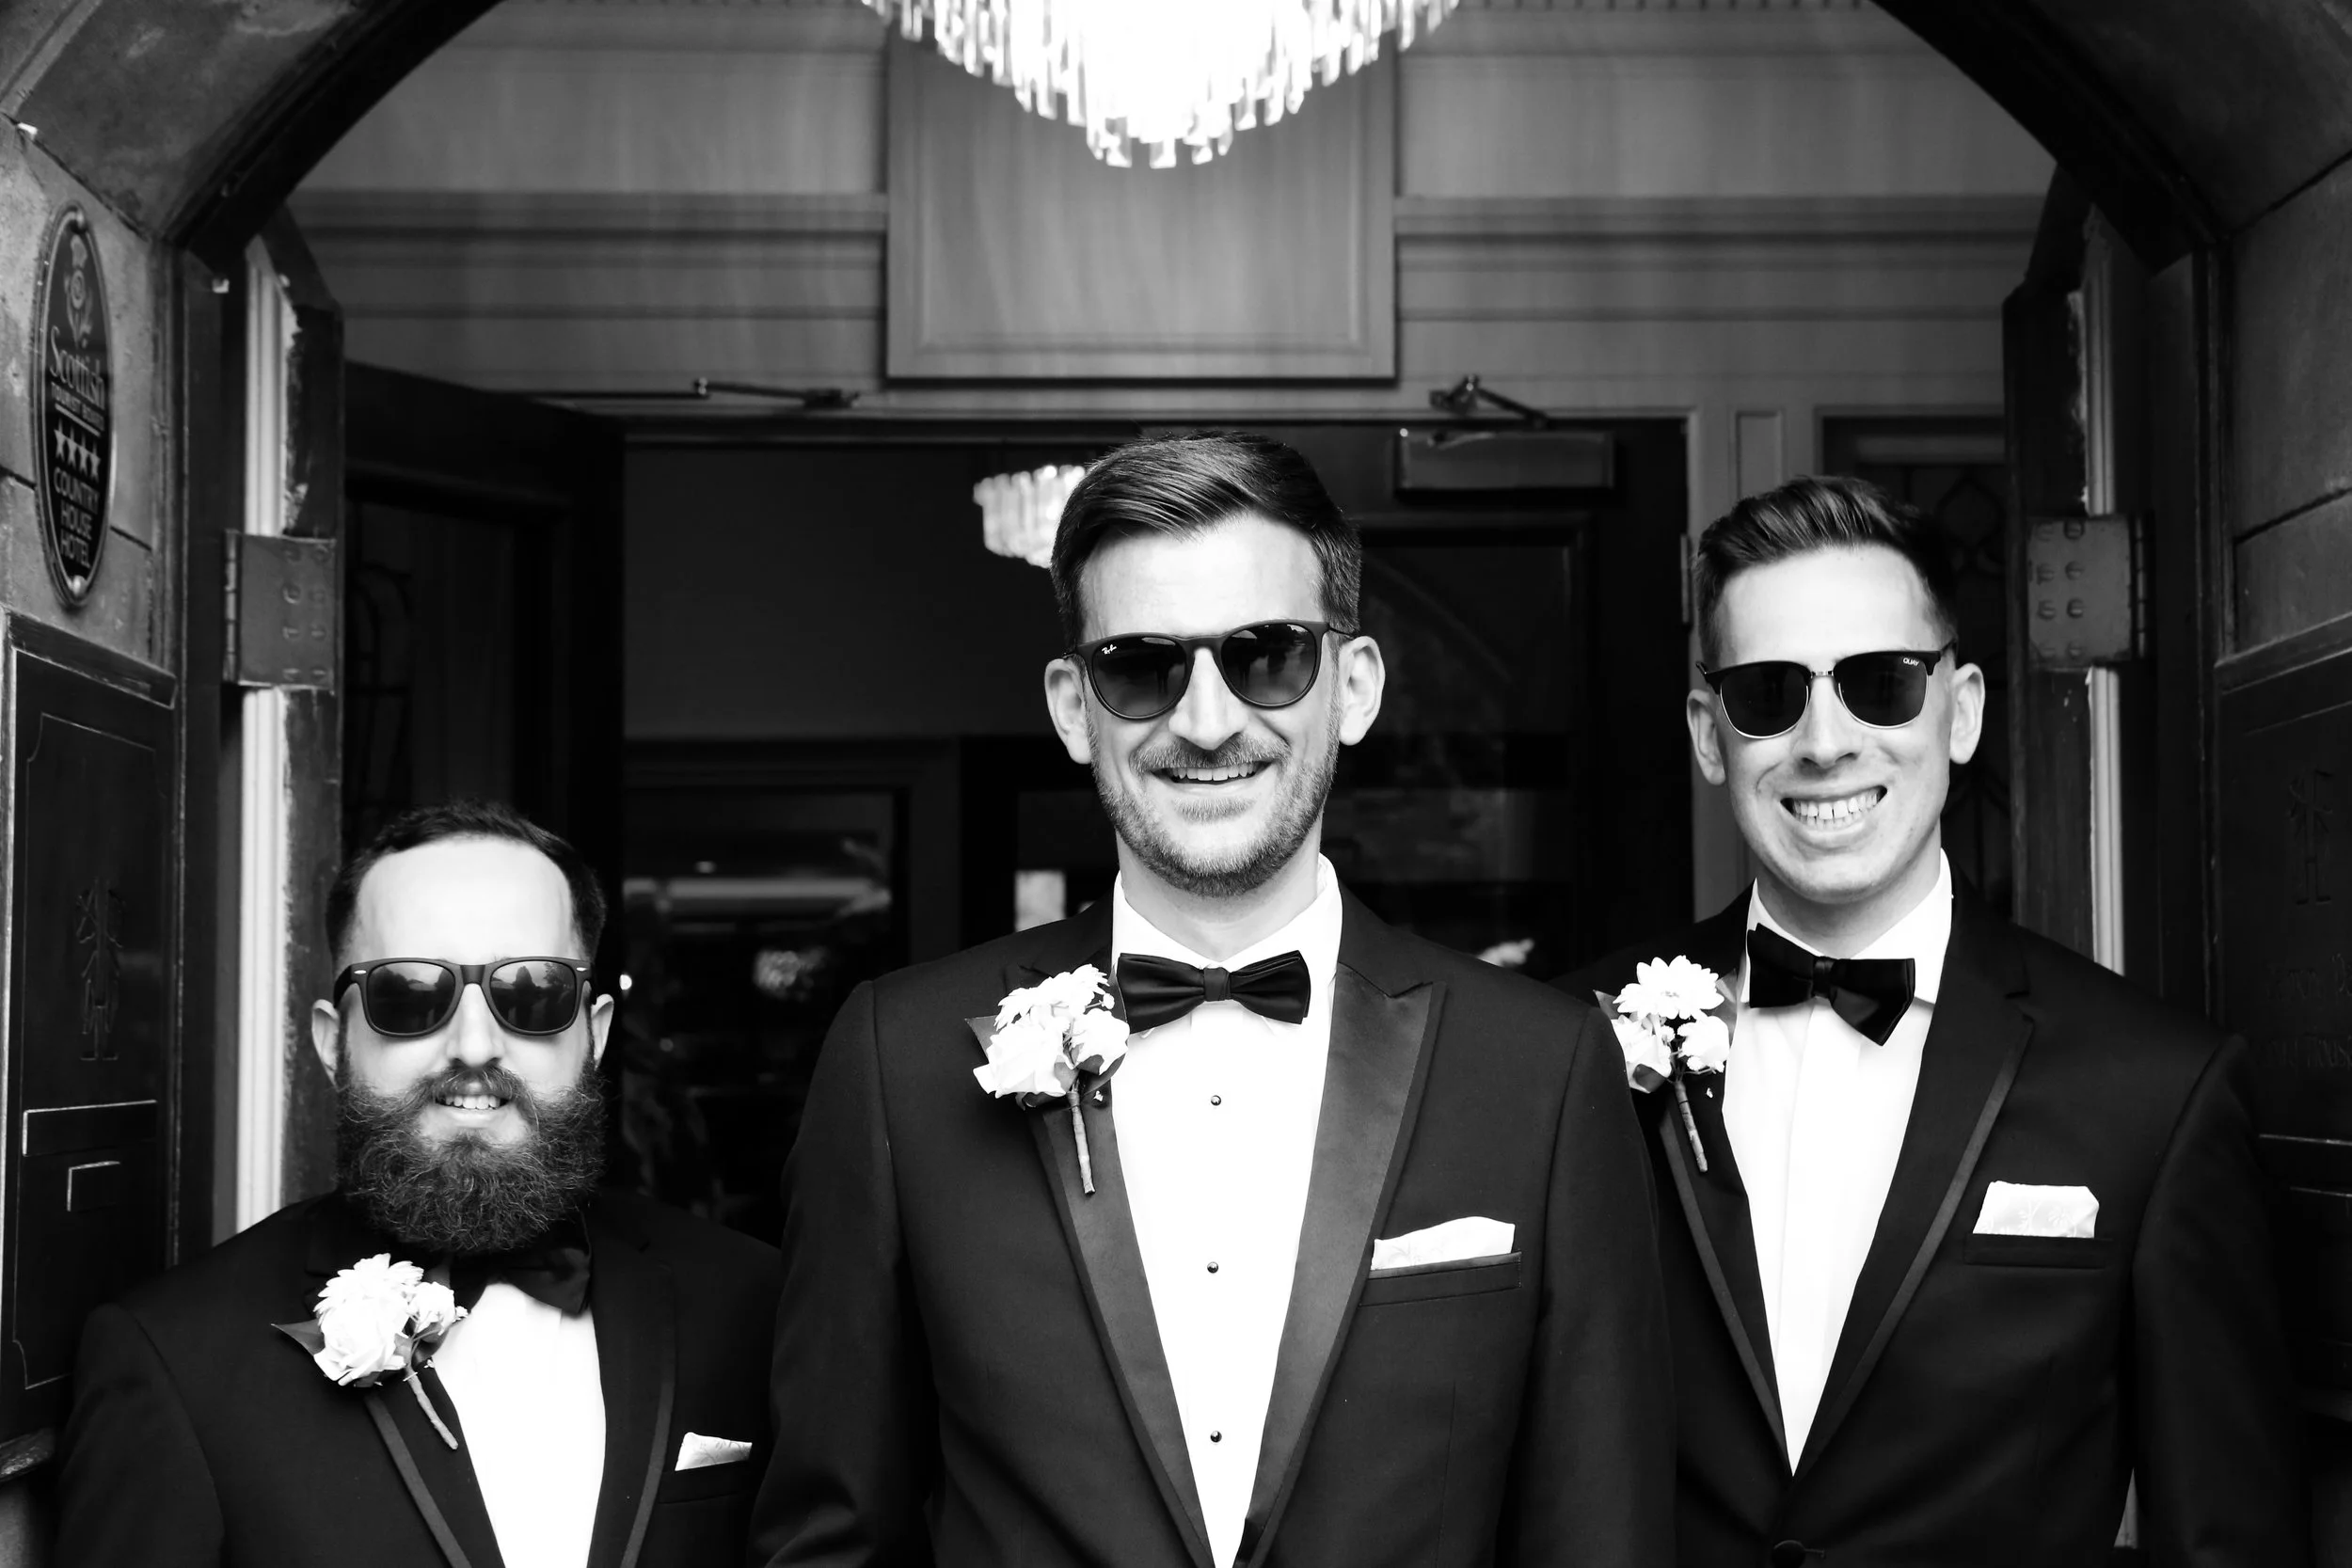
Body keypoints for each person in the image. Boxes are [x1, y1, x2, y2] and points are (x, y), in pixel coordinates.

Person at [753, 431, 1671, 1568]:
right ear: (1074, 706)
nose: (1204, 719)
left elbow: (1599, 1533)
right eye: (1141, 664)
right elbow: (832, 1538)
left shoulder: (1541, 1069)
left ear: (1354, 686)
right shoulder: (898, 1061)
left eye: (1266, 654)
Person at [1562, 474, 2306, 1566]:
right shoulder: (1567, 1047)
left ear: (1957, 711)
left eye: (1880, 685)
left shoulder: (2153, 1089)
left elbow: (2226, 1536)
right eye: (1768, 692)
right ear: (1709, 734)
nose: (1824, 742)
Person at [57, 800, 780, 1568]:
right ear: (334, 1042)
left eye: (532, 993)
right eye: (409, 995)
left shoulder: (750, 1305)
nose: (474, 1046)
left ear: (594, 1034)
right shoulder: (172, 1360)